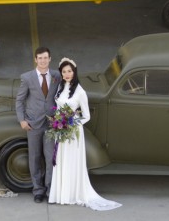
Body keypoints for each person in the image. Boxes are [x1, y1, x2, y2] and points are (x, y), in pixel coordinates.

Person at [48, 57, 122, 211]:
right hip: (60, 130)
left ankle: (72, 193)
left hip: (73, 131)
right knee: (60, 160)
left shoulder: (80, 91)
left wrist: (72, 124)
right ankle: (61, 194)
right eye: (64, 72)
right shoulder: (60, 88)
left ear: (74, 73)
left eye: (69, 71)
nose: (67, 74)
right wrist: (57, 122)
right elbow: (57, 107)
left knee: (71, 161)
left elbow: (86, 116)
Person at [15, 47, 61, 203]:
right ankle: (38, 190)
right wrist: (22, 120)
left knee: (50, 159)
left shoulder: (56, 76)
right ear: (35, 59)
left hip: (50, 124)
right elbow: (20, 100)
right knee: (34, 158)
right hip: (33, 124)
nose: (43, 61)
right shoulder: (27, 78)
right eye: (40, 58)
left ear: (50, 59)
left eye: (45, 58)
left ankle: (49, 190)